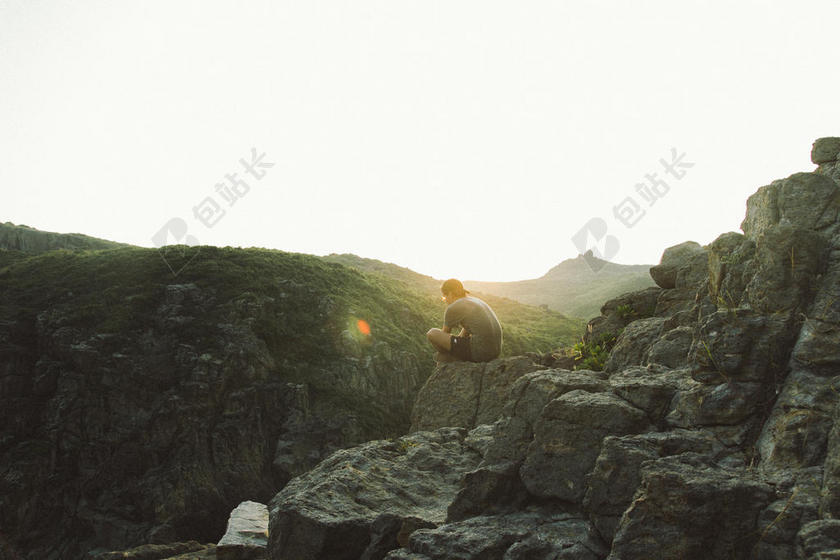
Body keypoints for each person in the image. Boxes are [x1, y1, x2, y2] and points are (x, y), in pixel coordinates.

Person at [426, 278, 503, 363]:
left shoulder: (453, 307)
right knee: (455, 344)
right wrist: (457, 344)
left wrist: (448, 351)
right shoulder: (475, 300)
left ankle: (450, 358)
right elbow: (466, 331)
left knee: (432, 333)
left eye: (444, 297)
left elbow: (443, 336)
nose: (445, 300)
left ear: (450, 294)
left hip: (480, 352)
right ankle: (453, 357)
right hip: (495, 351)